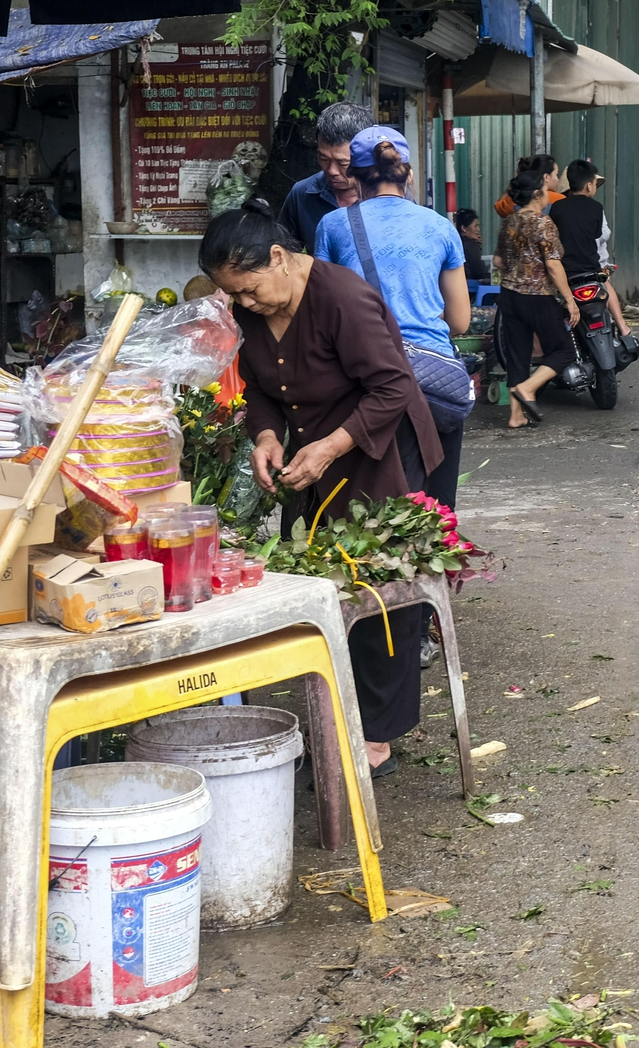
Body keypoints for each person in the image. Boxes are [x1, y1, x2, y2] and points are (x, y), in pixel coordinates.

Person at [200, 203, 443, 775]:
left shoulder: (342, 298)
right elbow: (259, 384)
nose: (246, 304)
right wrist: (264, 434)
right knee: (325, 577)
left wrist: (333, 446)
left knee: (380, 583)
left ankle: (377, 735)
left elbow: (391, 387)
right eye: (235, 295)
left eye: (251, 288)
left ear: (279, 258)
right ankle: (340, 712)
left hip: (381, 445)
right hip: (317, 450)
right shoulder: (256, 311)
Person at [312, 123, 471, 505]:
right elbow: (460, 322)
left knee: (369, 503)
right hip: (435, 380)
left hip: (362, 379)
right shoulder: (441, 227)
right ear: (409, 174)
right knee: (435, 503)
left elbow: (320, 308)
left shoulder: (332, 226)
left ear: (354, 177)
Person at [494, 171, 580, 428]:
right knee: (564, 350)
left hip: (509, 296)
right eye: (545, 189)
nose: (548, 195)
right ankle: (529, 388)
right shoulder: (544, 223)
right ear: (536, 194)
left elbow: (498, 260)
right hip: (538, 297)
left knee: (518, 356)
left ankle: (515, 416)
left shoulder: (509, 222)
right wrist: (569, 300)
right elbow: (553, 266)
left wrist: (517, 270)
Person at [549, 158, 631, 335]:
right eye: (594, 183)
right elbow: (597, 234)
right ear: (588, 186)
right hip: (591, 269)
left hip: (567, 271)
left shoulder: (557, 207)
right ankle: (624, 327)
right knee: (607, 289)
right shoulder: (596, 207)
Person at [276, 101, 366, 250]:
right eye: (323, 159)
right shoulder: (302, 194)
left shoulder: (390, 194)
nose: (332, 170)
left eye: (343, 163)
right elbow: (284, 256)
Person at [494, 154, 565, 218]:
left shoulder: (514, 198)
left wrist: (519, 179)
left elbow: (498, 206)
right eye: (556, 174)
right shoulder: (561, 200)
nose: (558, 180)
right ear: (546, 177)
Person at [455, 208, 490, 285]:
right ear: (463, 228)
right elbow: (480, 273)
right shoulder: (471, 246)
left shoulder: (456, 243)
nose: (478, 229)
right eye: (475, 226)